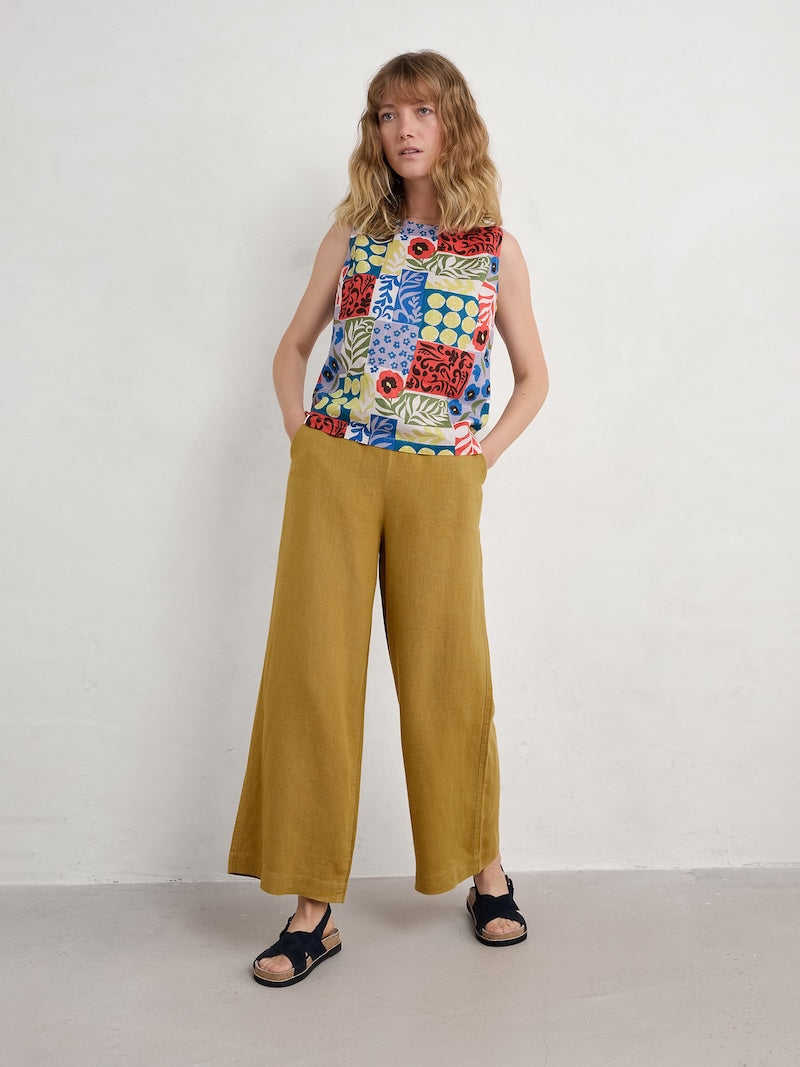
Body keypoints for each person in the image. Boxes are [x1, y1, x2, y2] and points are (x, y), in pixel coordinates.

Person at [227, 49, 549, 988]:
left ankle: (486, 873)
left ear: (454, 123)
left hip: (439, 476)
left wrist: (479, 458)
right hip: (336, 467)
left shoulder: (493, 249)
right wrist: (305, 438)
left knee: (451, 671)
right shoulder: (351, 236)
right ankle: (311, 910)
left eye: (421, 111)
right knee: (313, 674)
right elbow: (292, 349)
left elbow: (535, 378)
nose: (403, 129)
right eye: (386, 114)